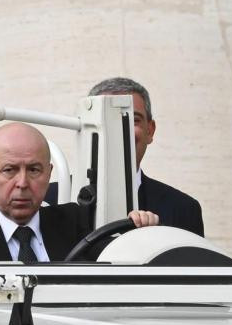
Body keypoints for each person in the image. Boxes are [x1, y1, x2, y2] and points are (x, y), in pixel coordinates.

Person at [0, 122, 158, 261]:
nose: (22, 183)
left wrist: (140, 235)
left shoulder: (75, 223)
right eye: (9, 170)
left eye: (34, 170)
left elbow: (116, 269)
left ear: (49, 174)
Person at [46, 77, 204, 236]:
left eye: (133, 120)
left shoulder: (183, 209)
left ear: (150, 131)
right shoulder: (47, 199)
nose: (119, 132)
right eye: (106, 120)